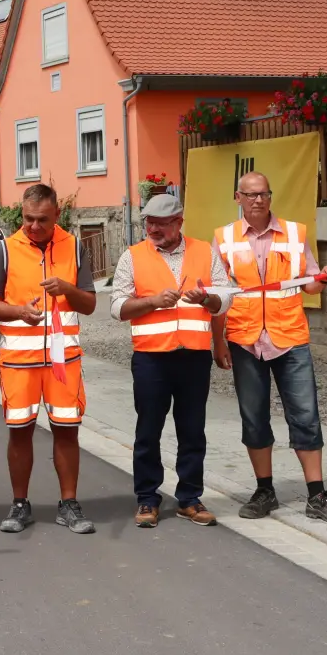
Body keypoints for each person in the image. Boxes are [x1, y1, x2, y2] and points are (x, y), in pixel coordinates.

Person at [213, 172, 327, 524]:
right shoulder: (224, 238)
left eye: (264, 194)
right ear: (238, 197)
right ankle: (265, 491)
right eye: (252, 195)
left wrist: (324, 277)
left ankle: (317, 494)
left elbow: (310, 285)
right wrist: (218, 341)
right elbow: (218, 297)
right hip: (245, 339)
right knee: (254, 419)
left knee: (305, 417)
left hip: (289, 338)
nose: (259, 200)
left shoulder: (294, 233)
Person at [0, 183, 98, 536]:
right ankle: (20, 504)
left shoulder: (74, 246)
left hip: (63, 361)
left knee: (67, 430)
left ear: (57, 214)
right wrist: (18, 311)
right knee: (20, 433)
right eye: (28, 219)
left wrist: (69, 289)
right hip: (18, 361)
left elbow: (90, 304)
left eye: (42, 220)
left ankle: (69, 503)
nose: (33, 226)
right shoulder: (6, 249)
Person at [111, 193, 230, 529]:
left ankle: (190, 498)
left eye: (161, 223)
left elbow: (225, 300)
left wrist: (207, 297)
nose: (152, 228)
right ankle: (147, 498)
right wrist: (151, 302)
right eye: (149, 221)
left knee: (192, 430)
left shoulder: (206, 252)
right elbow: (117, 307)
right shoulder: (132, 256)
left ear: (179, 222)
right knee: (148, 430)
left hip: (194, 356)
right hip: (151, 358)